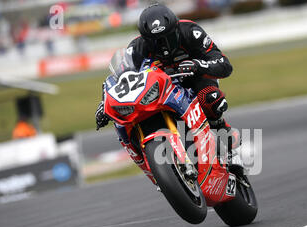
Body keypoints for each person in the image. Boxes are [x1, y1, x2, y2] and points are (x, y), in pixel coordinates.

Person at [95, 3, 239, 147]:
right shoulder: (136, 48)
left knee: (209, 97)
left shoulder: (191, 31)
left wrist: (197, 65)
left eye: (167, 38)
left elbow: (224, 64)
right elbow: (120, 79)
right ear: (145, 39)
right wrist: (105, 103)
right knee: (129, 118)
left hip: (195, 78)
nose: (163, 47)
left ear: (176, 29)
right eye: (155, 42)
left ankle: (221, 128)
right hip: (160, 88)